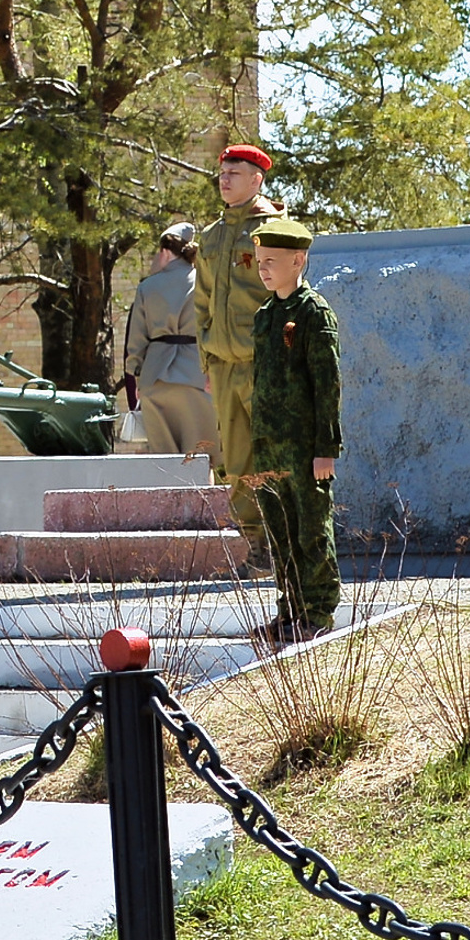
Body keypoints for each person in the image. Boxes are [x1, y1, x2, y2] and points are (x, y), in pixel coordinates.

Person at [247, 218, 342, 649]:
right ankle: (290, 611)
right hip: (269, 445)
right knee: (281, 534)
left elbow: (327, 384)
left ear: (298, 260)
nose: (263, 269)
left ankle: (317, 612)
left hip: (304, 447)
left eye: (272, 260)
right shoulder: (265, 316)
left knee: (310, 531)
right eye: (259, 261)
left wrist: (326, 447)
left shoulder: (313, 313)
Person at [196, 145, 279, 547]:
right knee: (236, 461)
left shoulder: (275, 230)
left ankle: (283, 541)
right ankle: (254, 544)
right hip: (225, 365)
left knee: (275, 455)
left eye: (234, 173)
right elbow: (202, 303)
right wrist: (207, 362)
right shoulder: (211, 236)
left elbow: (287, 298)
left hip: (264, 362)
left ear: (256, 179)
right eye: (222, 173)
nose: (224, 180)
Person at [122, 223, 217, 460]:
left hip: (155, 380)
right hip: (196, 378)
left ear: (165, 252)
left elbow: (136, 342)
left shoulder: (147, 287)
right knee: (201, 459)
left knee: (164, 461)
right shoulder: (206, 284)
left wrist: (138, 379)